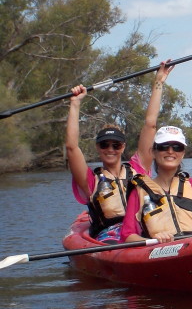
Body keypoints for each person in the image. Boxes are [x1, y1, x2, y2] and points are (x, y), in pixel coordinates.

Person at [66, 61, 173, 242]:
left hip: (144, 229)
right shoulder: (91, 181)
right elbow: (71, 147)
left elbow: (150, 124)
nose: (110, 149)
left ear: (122, 147)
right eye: (104, 145)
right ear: (98, 148)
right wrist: (75, 104)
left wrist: (159, 82)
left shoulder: (138, 168)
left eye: (116, 145)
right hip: (111, 236)